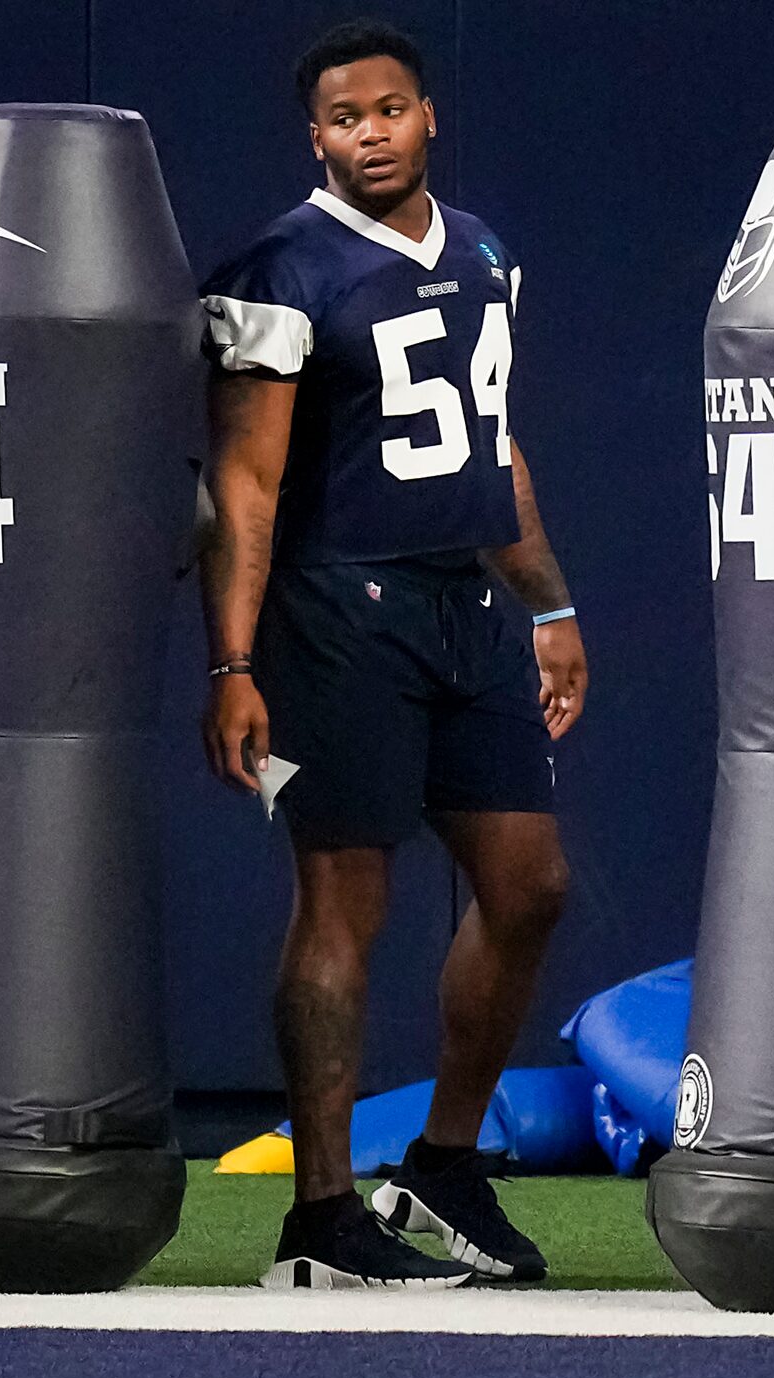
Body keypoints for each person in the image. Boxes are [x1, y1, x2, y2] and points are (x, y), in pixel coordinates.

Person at [199, 18, 590, 1289]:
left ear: (429, 117)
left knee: (528, 885)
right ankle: (318, 1219)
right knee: (345, 902)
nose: (370, 133)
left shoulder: (484, 252)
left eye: (388, 110)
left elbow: (494, 446)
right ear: (313, 137)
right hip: (334, 609)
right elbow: (245, 488)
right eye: (343, 118)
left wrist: (548, 603)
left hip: (466, 606)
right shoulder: (278, 268)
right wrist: (234, 664)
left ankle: (439, 1166)